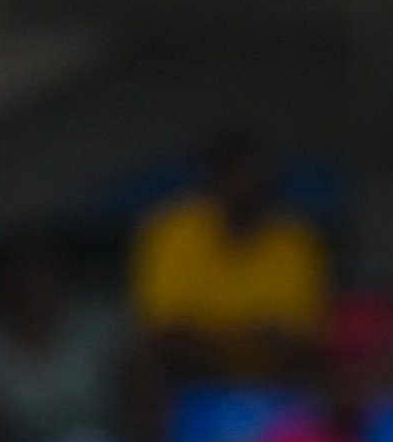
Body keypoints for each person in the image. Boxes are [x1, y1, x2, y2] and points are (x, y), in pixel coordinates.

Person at [128, 133, 328, 388]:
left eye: (255, 175)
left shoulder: (296, 239)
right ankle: (152, 429)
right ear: (212, 178)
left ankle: (297, 427)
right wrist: (242, 332)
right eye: (234, 174)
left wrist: (222, 328)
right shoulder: (172, 229)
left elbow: (298, 331)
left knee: (317, 361)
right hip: (195, 360)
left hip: (272, 363)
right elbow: (165, 322)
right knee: (143, 356)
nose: (244, 186)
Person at [0, 237, 128, 442]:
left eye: (43, 276)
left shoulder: (99, 326)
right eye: (24, 280)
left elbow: (141, 398)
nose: (35, 288)